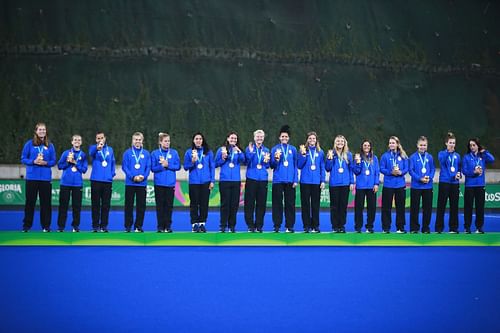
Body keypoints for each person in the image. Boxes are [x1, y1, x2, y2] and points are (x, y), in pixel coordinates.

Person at [21, 122, 56, 232]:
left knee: (46, 204)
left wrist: (46, 163)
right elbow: (23, 159)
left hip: (45, 179)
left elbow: (53, 161)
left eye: (44, 130)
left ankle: (46, 226)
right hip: (32, 178)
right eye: (40, 129)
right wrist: (33, 161)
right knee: (30, 203)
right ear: (36, 131)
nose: (42, 131)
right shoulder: (29, 144)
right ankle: (27, 226)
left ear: (46, 131)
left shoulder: (50, 145)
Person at [183, 132, 215, 233]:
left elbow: (212, 167)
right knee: (194, 204)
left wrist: (212, 181)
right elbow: (185, 167)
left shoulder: (208, 152)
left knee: (204, 204)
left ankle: (202, 223)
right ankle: (194, 224)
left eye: (200, 139)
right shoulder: (189, 152)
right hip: (194, 182)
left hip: (206, 182)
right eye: (196, 139)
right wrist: (192, 161)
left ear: (203, 140)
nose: (198, 140)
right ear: (193, 140)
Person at [462, 138, 495, 233]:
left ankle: (479, 227)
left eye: (474, 145)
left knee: (480, 207)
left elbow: (492, 159)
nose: (472, 147)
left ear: (478, 146)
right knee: (468, 207)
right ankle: (467, 227)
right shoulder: (466, 157)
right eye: (470, 145)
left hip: (480, 185)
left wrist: (485, 152)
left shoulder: (483, 156)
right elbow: (464, 171)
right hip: (469, 186)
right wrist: (474, 172)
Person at [56, 134, 88, 232]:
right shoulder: (66, 153)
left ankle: (75, 226)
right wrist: (67, 162)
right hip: (65, 183)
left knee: (76, 207)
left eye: (79, 140)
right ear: (72, 142)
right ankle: (61, 227)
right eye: (75, 140)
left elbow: (84, 170)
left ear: (81, 142)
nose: (77, 141)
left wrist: (75, 162)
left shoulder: (83, 155)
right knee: (63, 206)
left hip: (77, 184)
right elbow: (59, 166)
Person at [215, 131, 245, 233]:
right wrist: (223, 159)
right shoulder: (222, 150)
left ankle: (232, 226)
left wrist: (239, 151)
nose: (233, 140)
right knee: (225, 204)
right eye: (232, 138)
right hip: (224, 180)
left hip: (236, 181)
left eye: (235, 139)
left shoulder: (238, 150)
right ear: (227, 139)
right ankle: (223, 225)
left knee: (234, 204)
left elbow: (243, 160)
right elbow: (216, 163)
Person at [270, 125, 298, 233]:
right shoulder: (274, 149)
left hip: (290, 181)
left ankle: (289, 226)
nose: (284, 138)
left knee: (290, 204)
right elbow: (272, 165)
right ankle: (277, 225)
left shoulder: (293, 149)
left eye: (286, 136)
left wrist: (295, 179)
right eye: (282, 136)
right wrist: (276, 160)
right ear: (279, 138)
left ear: (289, 138)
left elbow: (295, 165)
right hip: (278, 180)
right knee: (277, 204)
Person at [151, 132, 181, 233]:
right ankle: (160, 227)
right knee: (160, 206)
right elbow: (153, 168)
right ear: (160, 142)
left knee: (169, 206)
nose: (167, 143)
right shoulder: (155, 153)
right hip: (159, 184)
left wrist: (168, 165)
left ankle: (168, 226)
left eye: (168, 141)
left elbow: (178, 166)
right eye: (165, 141)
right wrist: (161, 166)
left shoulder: (174, 153)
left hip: (170, 184)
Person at [122, 132, 151, 232]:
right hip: (130, 183)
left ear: (142, 141)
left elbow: (148, 167)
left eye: (139, 139)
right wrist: (132, 177)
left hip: (142, 183)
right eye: (136, 139)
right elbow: (124, 167)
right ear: (132, 141)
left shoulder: (146, 153)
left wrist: (144, 177)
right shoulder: (127, 153)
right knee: (128, 205)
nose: (137, 141)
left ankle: (138, 226)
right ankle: (128, 226)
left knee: (141, 206)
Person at [380, 136, 409, 233]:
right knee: (386, 207)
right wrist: (390, 172)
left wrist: (401, 172)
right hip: (388, 185)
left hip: (400, 185)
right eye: (390, 143)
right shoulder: (385, 156)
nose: (391, 144)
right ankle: (386, 228)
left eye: (393, 143)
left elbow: (406, 168)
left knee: (400, 207)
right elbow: (382, 168)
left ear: (397, 144)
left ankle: (400, 227)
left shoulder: (403, 156)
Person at [297, 131, 325, 233]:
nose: (312, 140)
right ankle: (306, 226)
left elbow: (322, 167)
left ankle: (316, 226)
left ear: (316, 140)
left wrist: (322, 180)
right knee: (305, 205)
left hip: (316, 182)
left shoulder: (320, 152)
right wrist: (303, 155)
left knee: (315, 205)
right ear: (307, 140)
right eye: (310, 138)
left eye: (314, 138)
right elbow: (299, 165)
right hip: (305, 181)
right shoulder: (302, 151)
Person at [325, 135, 354, 233]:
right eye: (338, 141)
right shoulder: (331, 153)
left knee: (343, 206)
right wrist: (329, 159)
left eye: (342, 141)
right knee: (334, 206)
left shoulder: (349, 155)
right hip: (334, 184)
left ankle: (342, 226)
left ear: (344, 143)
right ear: (335, 143)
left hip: (345, 184)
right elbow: (327, 168)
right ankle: (334, 226)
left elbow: (351, 170)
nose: (340, 143)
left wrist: (352, 182)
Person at [244, 129, 271, 233]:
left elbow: (268, 165)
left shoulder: (266, 150)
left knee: (261, 203)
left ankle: (259, 225)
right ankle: (250, 225)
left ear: (263, 138)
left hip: (263, 179)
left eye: (261, 137)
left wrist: (267, 161)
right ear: (254, 137)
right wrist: (251, 152)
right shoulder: (249, 148)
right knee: (249, 203)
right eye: (257, 136)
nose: (259, 138)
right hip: (251, 179)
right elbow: (246, 161)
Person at [89, 131, 116, 232]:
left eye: (102, 138)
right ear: (96, 140)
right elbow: (91, 154)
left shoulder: (110, 149)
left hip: (107, 181)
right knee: (95, 204)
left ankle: (104, 226)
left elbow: (113, 163)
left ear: (105, 138)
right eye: (98, 138)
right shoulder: (93, 148)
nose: (100, 140)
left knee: (106, 205)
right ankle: (95, 226)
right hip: (96, 180)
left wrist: (111, 175)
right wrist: (97, 148)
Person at [435, 132, 461, 234]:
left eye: (453, 143)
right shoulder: (441, 153)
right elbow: (442, 160)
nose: (452, 145)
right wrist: (448, 152)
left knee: (454, 206)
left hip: (455, 183)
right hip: (444, 182)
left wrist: (459, 174)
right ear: (446, 143)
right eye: (450, 142)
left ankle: (453, 228)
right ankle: (439, 228)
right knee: (441, 205)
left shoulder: (458, 156)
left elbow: (459, 167)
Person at [409, 136, 435, 234]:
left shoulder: (430, 157)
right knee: (414, 208)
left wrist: (429, 178)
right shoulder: (412, 157)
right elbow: (411, 171)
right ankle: (414, 228)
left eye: (424, 145)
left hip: (428, 186)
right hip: (416, 186)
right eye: (421, 145)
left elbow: (432, 169)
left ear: (427, 146)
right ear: (417, 145)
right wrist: (419, 178)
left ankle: (425, 228)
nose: (422, 147)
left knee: (427, 208)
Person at [352, 140, 379, 233]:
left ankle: (370, 226)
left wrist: (376, 184)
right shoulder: (357, 157)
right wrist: (358, 163)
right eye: (364, 145)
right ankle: (358, 227)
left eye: (368, 145)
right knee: (359, 208)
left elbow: (377, 173)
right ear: (362, 147)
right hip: (360, 186)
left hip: (371, 186)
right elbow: (356, 171)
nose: (366, 147)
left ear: (370, 147)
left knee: (372, 208)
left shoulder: (374, 158)